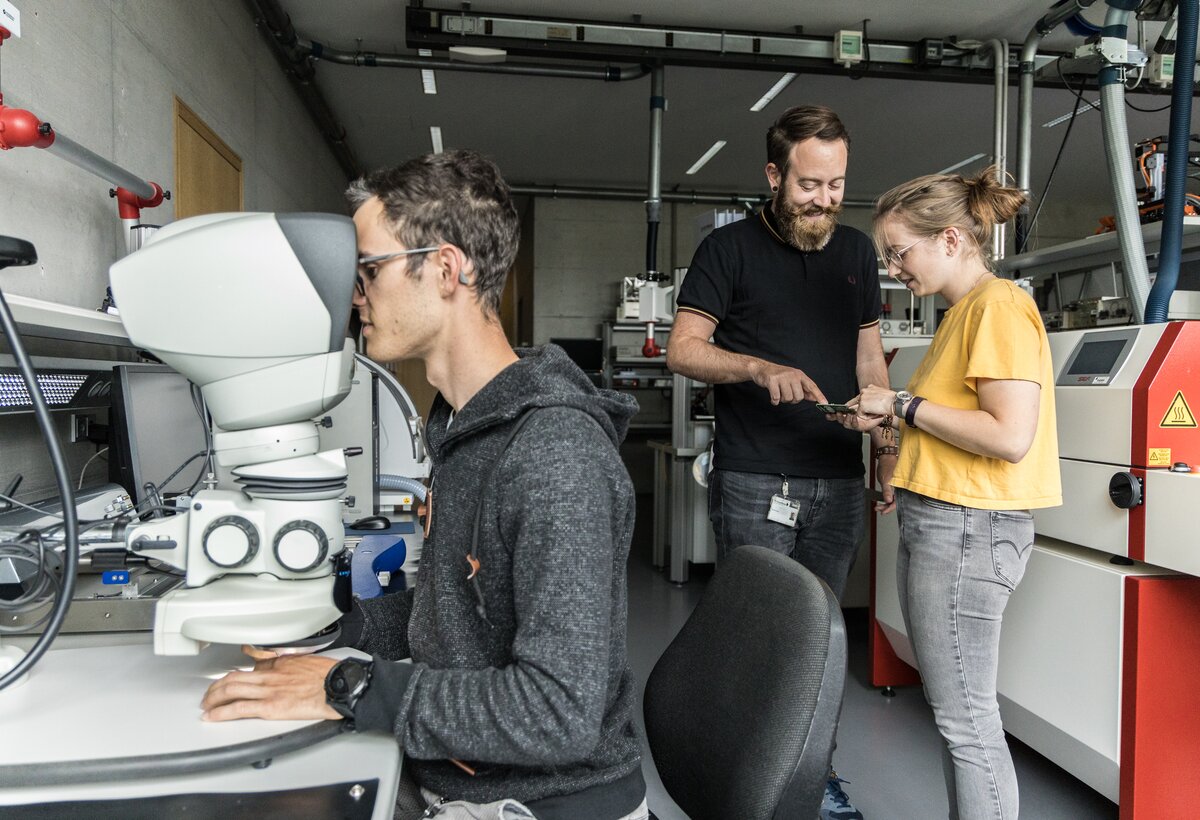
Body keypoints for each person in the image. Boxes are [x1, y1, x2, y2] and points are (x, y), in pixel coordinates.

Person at [201, 150, 648, 820]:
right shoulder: (469, 428)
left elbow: (560, 712)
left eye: (368, 271)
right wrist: (330, 627)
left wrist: (349, 686)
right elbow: (457, 609)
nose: (357, 297)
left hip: (538, 801)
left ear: (445, 269)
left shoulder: (554, 455)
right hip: (464, 778)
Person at [667, 103, 889, 820]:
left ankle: (812, 783)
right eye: (809, 184)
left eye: (836, 185)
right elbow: (683, 349)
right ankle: (741, 788)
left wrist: (883, 441)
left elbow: (868, 354)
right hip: (755, 478)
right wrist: (757, 368)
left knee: (820, 653)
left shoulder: (855, 251)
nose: (824, 200)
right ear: (773, 174)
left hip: (837, 478)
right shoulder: (727, 251)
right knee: (757, 641)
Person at [840, 168, 1061, 819]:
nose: (893, 266)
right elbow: (946, 422)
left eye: (900, 251)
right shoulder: (964, 314)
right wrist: (888, 423)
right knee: (954, 715)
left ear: (952, 240)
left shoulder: (998, 308)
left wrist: (901, 405)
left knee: (967, 722)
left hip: (967, 530)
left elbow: (1008, 434)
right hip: (941, 524)